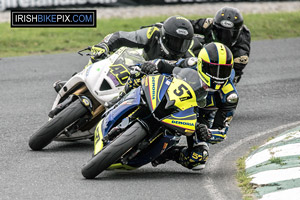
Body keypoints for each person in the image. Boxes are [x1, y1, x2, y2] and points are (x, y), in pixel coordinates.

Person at [53, 15, 200, 92]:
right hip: (136, 66)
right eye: (174, 41)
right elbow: (119, 36)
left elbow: (193, 77)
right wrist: (103, 45)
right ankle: (79, 80)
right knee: (101, 56)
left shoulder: (188, 56)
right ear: (164, 37)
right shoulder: (152, 33)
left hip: (156, 88)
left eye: (183, 43)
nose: (178, 47)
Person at [144, 7, 250, 84]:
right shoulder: (208, 24)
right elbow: (186, 25)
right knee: (188, 42)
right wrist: (155, 27)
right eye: (220, 32)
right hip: (208, 50)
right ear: (214, 27)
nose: (224, 37)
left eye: (230, 34)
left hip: (225, 65)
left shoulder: (241, 52)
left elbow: (233, 75)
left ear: (239, 32)